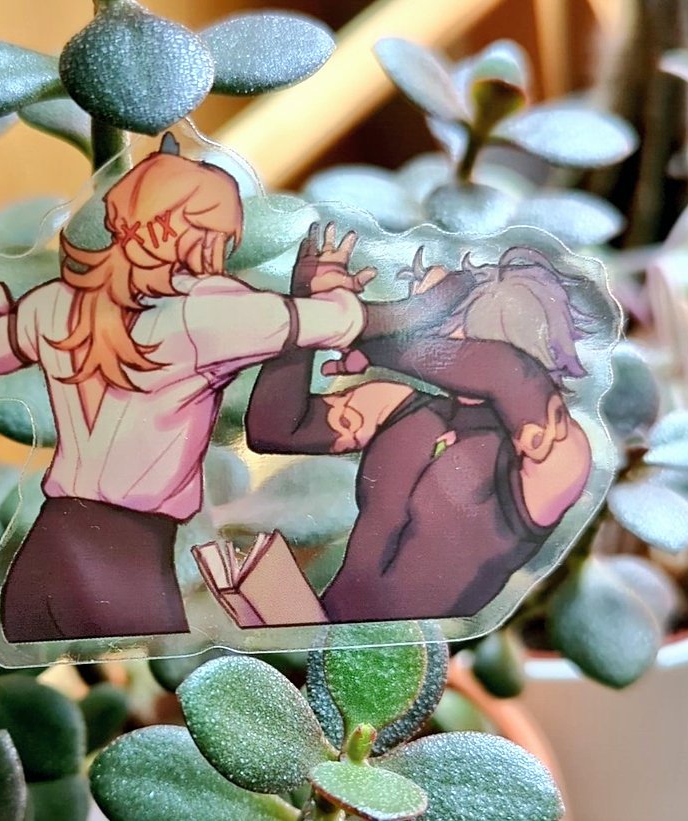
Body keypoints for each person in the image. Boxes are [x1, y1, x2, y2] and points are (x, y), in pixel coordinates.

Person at [0, 138, 443, 642]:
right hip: (129, 562)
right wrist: (375, 297)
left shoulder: (56, 304)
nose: (221, 253)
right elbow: (344, 321)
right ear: (198, 237)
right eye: (219, 237)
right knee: (188, 709)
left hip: (46, 552)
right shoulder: (205, 316)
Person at [245, 243, 595, 622]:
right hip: (318, 625)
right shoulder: (401, 408)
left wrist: (370, 328)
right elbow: (274, 428)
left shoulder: (554, 452)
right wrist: (309, 313)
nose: (414, 325)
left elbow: (505, 373)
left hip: (416, 651)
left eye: (432, 314)